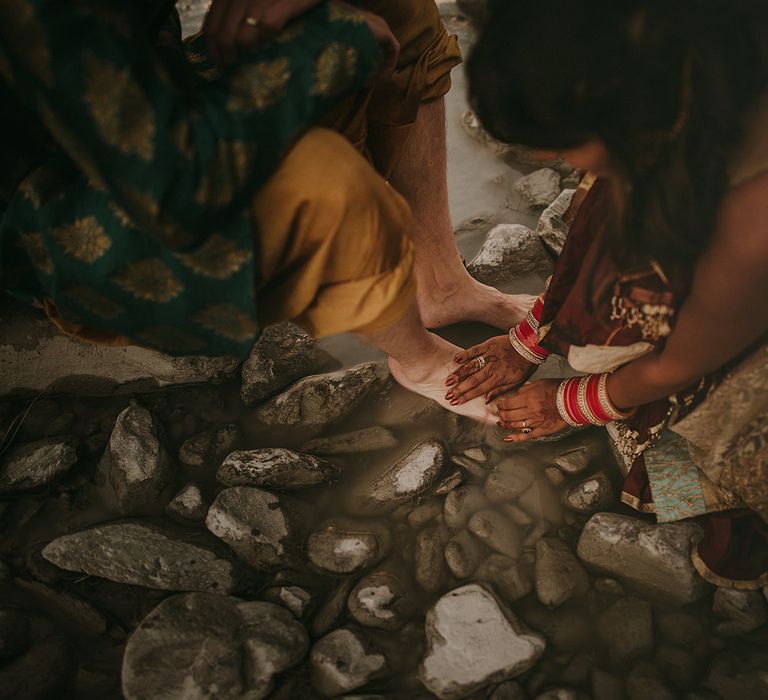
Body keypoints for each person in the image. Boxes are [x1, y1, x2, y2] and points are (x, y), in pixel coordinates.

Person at [0, 0, 506, 424]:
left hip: (147, 107)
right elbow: (176, 189)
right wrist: (333, 42)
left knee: (394, 10)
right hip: (58, 212)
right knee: (318, 184)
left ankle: (439, 283)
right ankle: (414, 358)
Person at [445, 0, 768, 588]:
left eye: (566, 147)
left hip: (740, 355)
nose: (563, 165)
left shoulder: (752, 220)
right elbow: (588, 253)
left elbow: (685, 361)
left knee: (690, 456)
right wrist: (528, 340)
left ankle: (736, 515)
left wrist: (570, 400)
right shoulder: (666, 94)